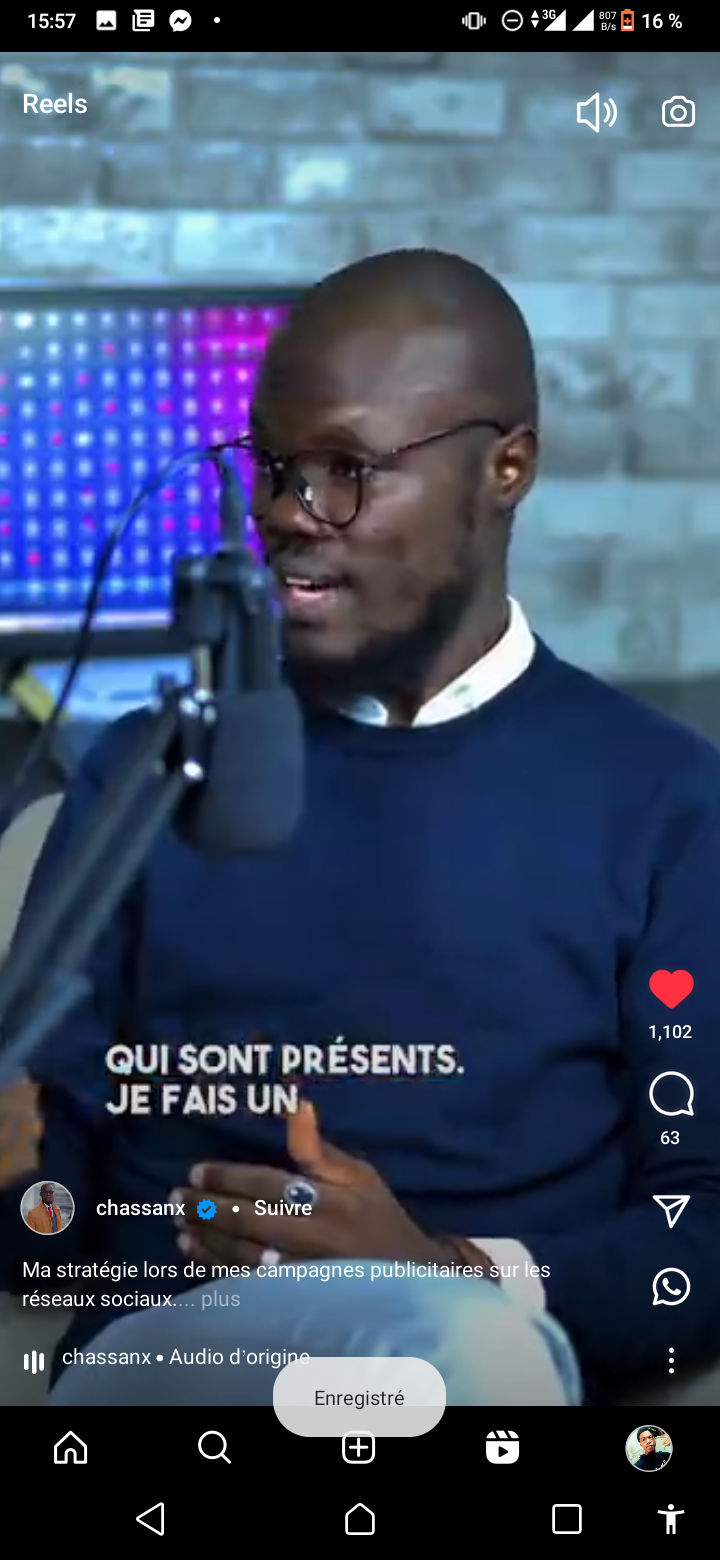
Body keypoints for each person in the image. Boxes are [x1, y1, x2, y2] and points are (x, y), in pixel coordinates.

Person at [3, 247, 720, 1405]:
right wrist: (31, 1186)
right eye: (273, 468)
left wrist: (441, 1271)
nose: (286, 516)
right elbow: (46, 1218)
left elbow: (705, 1231)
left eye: (346, 469)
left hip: (491, 1365)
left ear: (507, 468)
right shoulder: (147, 773)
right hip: (180, 1362)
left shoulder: (667, 801)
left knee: (455, 1351)